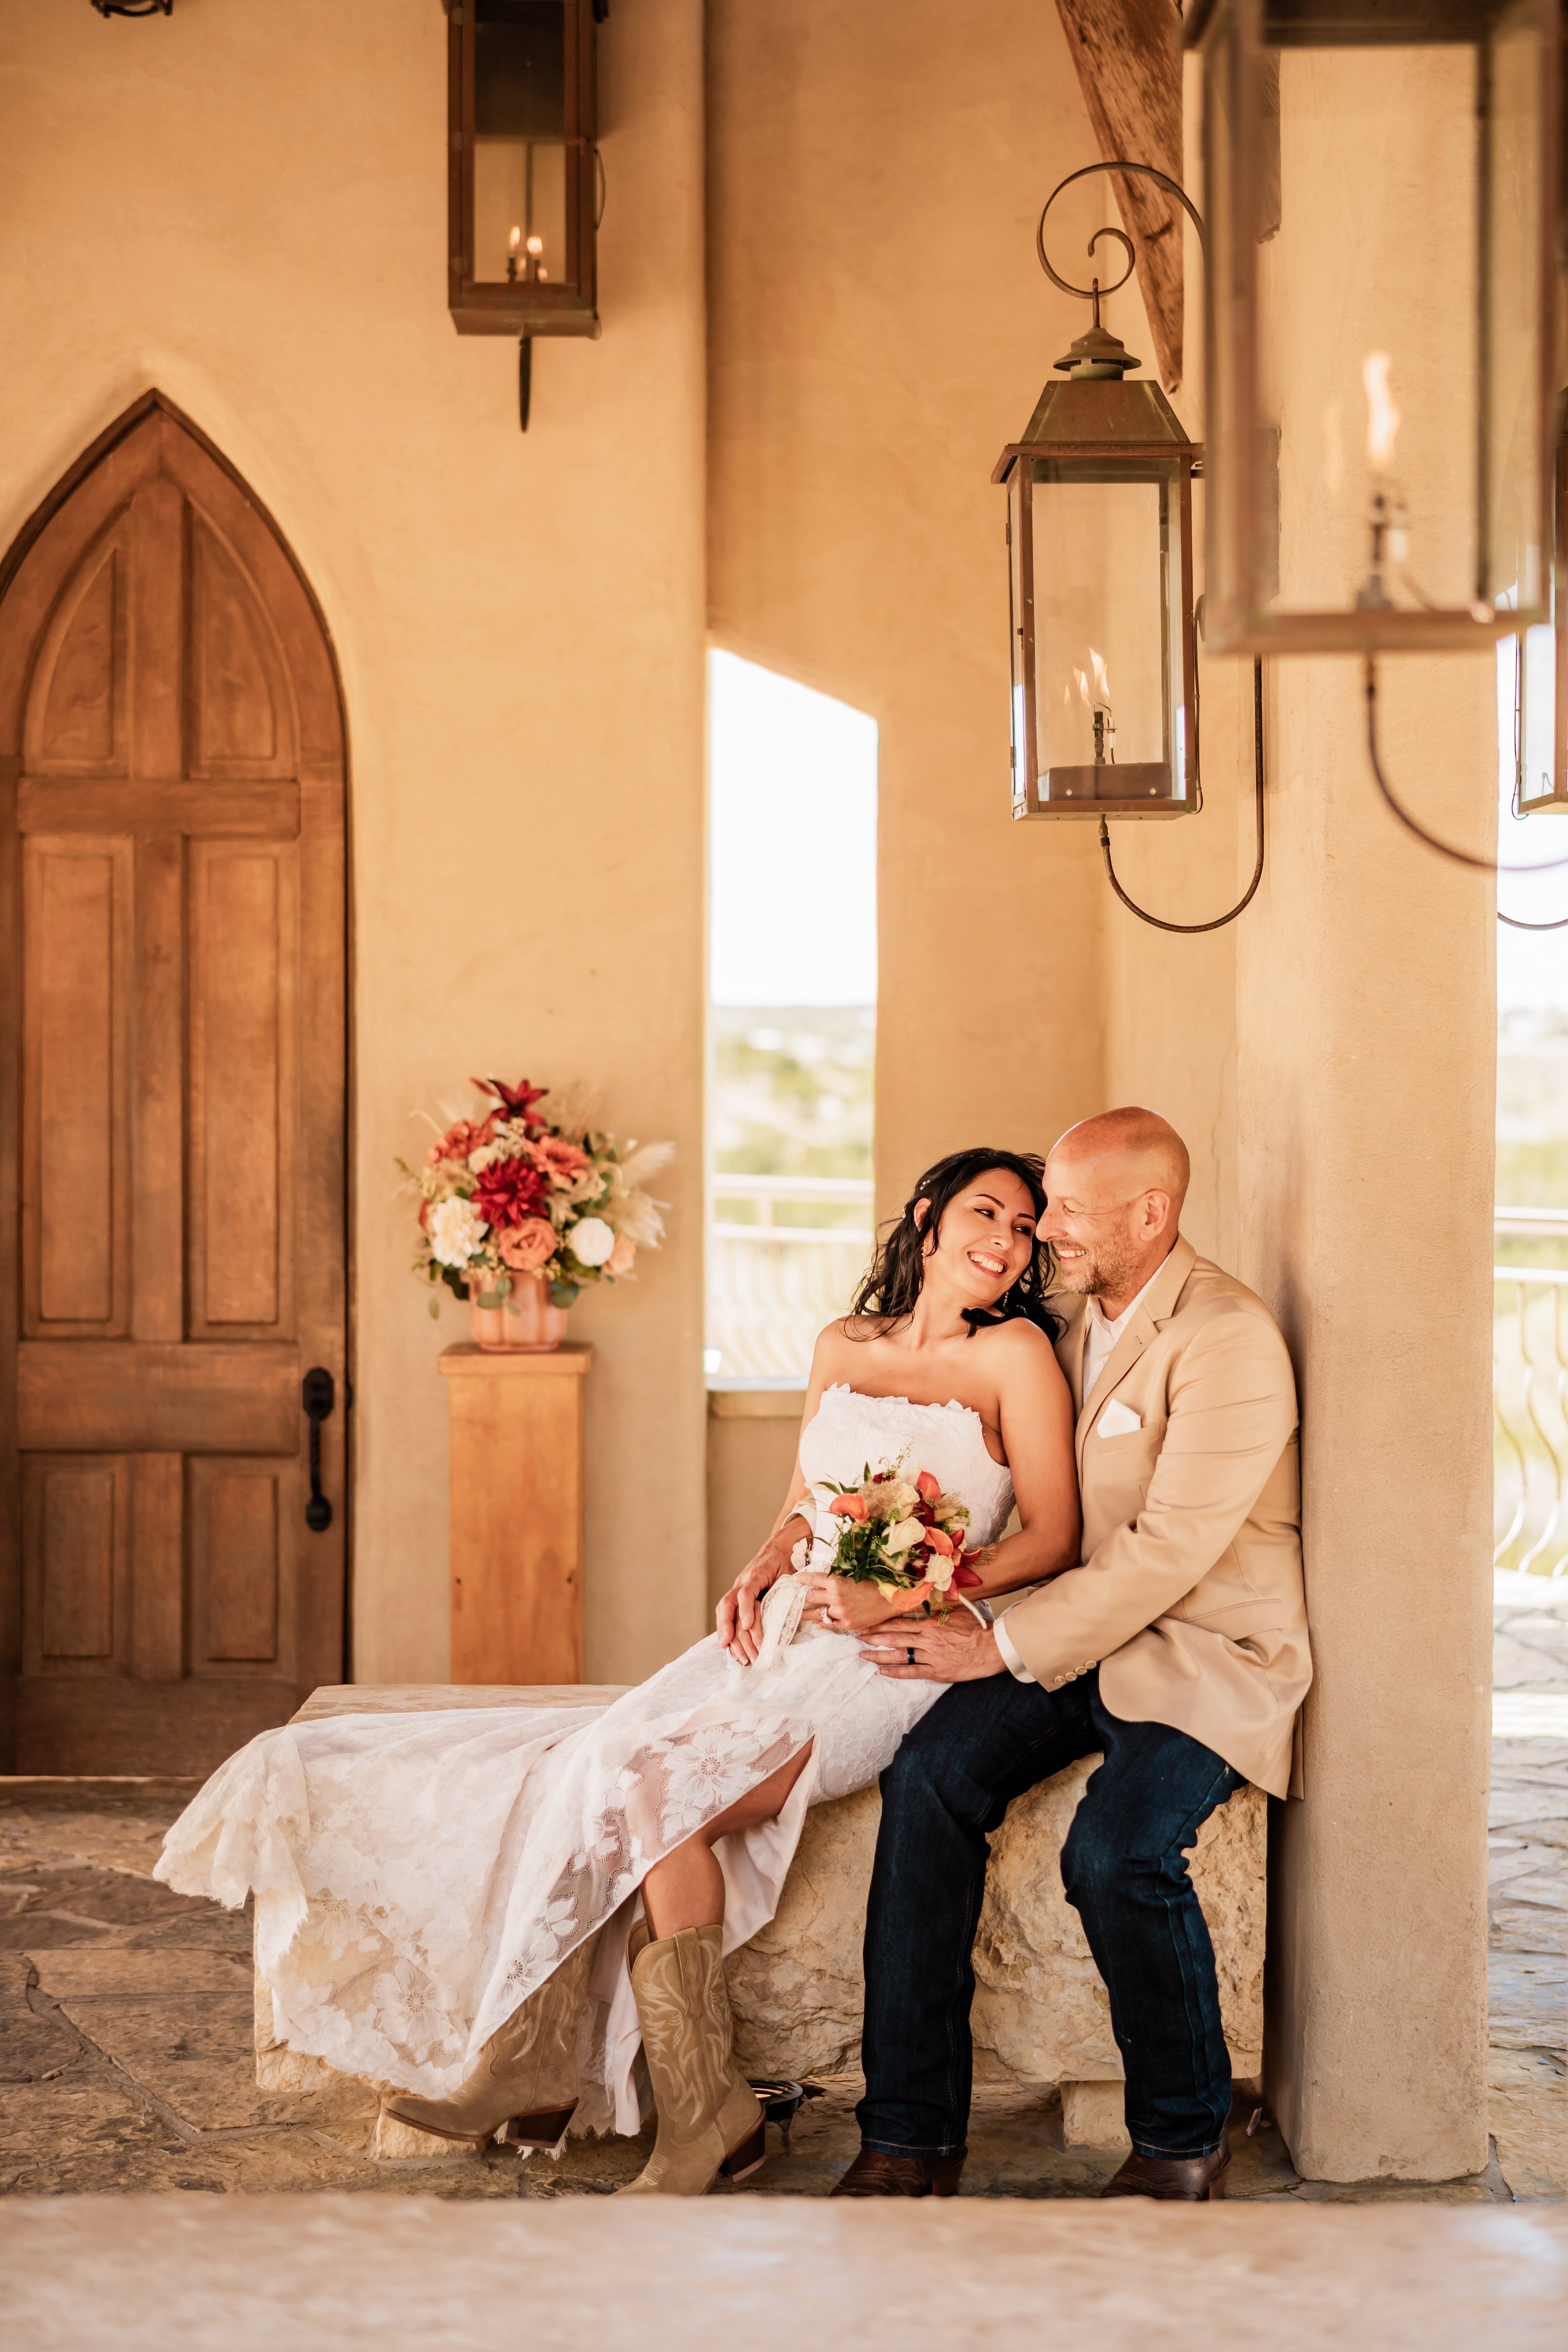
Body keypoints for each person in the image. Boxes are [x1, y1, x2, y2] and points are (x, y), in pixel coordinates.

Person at [156, 1145, 1081, 2196]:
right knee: (604, 1763)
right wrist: (763, 1563)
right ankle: (538, 2062)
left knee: (658, 1788)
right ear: (926, 1216)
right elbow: (801, 1504)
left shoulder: (1015, 1358)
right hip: (783, 1625)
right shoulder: (841, 1340)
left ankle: (704, 2113)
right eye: (985, 1212)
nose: (1004, 1242)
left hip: (885, 1656)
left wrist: (909, 1592)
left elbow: (1052, 1535)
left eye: (1023, 1228)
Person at [729, 1108, 1311, 2203]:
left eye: (1072, 1213)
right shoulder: (1071, 1324)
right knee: (931, 1779)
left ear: (1154, 1210)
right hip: (1082, 1634)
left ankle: (1181, 2143)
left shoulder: (1227, 1336)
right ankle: (909, 2135)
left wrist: (993, 1640)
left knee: (1116, 1850)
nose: (1048, 1234)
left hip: (1201, 1648)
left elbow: (1165, 1553)